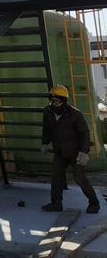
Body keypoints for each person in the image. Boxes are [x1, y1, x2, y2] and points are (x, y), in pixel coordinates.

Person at [40, 85, 100, 214]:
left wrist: (84, 152)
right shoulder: (48, 112)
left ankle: (94, 204)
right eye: (52, 100)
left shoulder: (74, 114)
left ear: (64, 101)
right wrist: (45, 143)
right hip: (60, 152)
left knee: (79, 178)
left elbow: (84, 134)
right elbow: (47, 129)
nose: (54, 103)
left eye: (57, 101)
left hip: (75, 152)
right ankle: (56, 204)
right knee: (56, 176)